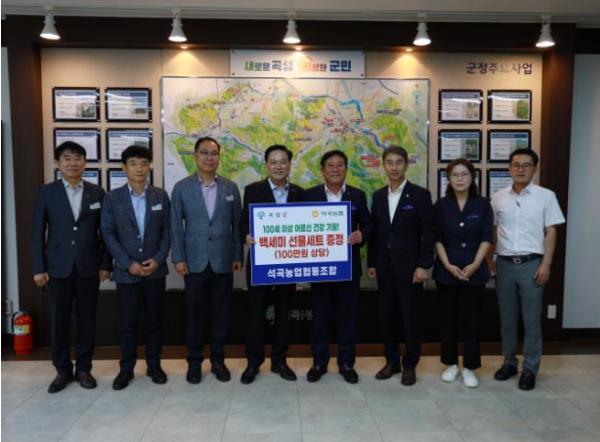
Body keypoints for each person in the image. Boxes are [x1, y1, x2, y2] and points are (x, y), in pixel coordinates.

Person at [32, 141, 111, 393]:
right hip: (57, 268)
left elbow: (106, 232)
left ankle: (84, 369)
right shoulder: (47, 192)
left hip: (89, 267)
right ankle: (62, 371)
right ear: (58, 163)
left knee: (87, 320)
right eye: (67, 158)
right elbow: (37, 232)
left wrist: (106, 263)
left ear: (85, 162)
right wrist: (38, 267)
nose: (73, 163)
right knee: (58, 322)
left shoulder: (97, 193)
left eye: (78, 158)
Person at [490, 148, 565, 391]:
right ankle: (509, 362)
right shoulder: (498, 197)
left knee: (531, 320)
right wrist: (491, 261)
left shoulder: (546, 196)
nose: (520, 169)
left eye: (526, 165)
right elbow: (493, 230)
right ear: (509, 168)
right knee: (507, 319)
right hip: (504, 264)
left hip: (532, 264)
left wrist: (546, 264)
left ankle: (530, 368)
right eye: (516, 165)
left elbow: (551, 231)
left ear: (535, 168)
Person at [171, 136, 242, 384]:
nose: (209, 158)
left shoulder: (230, 188)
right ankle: (194, 362)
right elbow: (175, 226)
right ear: (195, 156)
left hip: (223, 261)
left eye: (214, 153)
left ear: (219, 157)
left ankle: (218, 361)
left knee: (221, 314)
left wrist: (237, 255)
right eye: (204, 153)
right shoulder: (182, 188)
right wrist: (178, 258)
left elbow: (236, 224)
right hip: (194, 261)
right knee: (195, 315)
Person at [101, 145, 171, 390]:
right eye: (133, 163)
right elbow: (108, 233)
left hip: (155, 271)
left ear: (149, 166)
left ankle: (154, 365)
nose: (139, 168)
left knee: (155, 322)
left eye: (143, 163)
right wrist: (127, 263)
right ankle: (126, 369)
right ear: (124, 168)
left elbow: (168, 231)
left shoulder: (160, 196)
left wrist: (159, 259)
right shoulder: (112, 198)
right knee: (128, 324)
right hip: (126, 273)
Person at [367, 145, 434, 386]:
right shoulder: (378, 196)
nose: (394, 167)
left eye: (399, 162)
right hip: (384, 268)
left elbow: (428, 233)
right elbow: (375, 233)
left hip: (411, 270)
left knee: (409, 318)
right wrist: (372, 262)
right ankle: (392, 361)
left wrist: (424, 265)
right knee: (387, 318)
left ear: (406, 165)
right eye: (390, 163)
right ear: (383, 165)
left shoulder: (420, 195)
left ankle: (409, 364)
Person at [239, 145, 305, 384]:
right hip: (261, 264)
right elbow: (243, 222)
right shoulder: (253, 190)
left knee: (283, 313)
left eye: (283, 161)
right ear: (266, 165)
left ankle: (280, 361)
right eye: (274, 162)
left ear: (289, 165)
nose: (279, 166)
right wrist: (246, 235)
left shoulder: (300, 193)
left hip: (288, 264)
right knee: (256, 314)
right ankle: (253, 363)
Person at [304, 150, 371, 384]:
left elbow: (368, 225)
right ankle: (319, 362)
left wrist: (362, 235)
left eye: (340, 165)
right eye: (330, 165)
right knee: (320, 317)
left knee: (348, 317)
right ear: (322, 170)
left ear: (346, 169)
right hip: (320, 268)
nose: (335, 169)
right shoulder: (310, 195)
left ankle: (346, 363)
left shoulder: (357, 195)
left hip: (348, 268)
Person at [432, 159, 493, 388]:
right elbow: (437, 238)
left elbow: (487, 237)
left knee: (472, 321)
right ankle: (450, 364)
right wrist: (447, 265)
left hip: (474, 272)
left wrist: (476, 264)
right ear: (448, 179)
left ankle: (469, 367)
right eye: (455, 175)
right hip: (446, 272)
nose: (459, 179)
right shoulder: (441, 205)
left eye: (464, 174)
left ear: (472, 177)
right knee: (447, 320)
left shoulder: (483, 204)